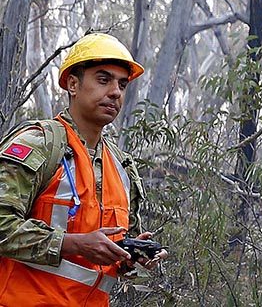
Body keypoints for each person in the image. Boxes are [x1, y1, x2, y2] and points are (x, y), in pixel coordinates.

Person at [0, 32, 166, 306]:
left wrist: (130, 257)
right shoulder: (39, 144)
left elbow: (106, 259)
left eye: (122, 85)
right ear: (73, 85)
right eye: (103, 80)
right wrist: (73, 244)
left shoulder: (122, 168)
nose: (115, 92)